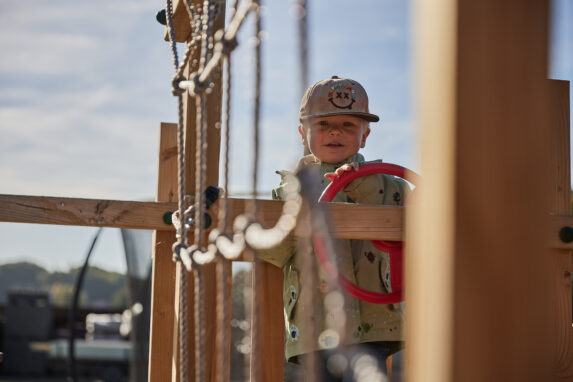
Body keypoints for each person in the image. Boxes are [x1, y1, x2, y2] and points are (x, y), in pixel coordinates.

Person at [258, 76, 409, 381]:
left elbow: (410, 218)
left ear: (365, 135)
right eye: (323, 124)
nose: (335, 131)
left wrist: (360, 180)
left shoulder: (387, 184)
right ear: (303, 133)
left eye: (348, 125)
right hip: (315, 322)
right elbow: (273, 252)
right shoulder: (288, 190)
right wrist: (298, 205)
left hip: (372, 323)